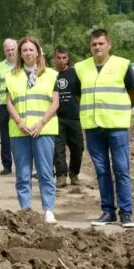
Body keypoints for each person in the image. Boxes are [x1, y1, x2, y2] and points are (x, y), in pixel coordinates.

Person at [74, 28, 134, 228]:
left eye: (101, 43)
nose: (97, 47)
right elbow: (79, 96)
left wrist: (120, 110)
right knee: (102, 171)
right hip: (93, 126)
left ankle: (126, 213)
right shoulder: (81, 68)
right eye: (94, 44)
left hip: (117, 126)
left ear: (109, 45)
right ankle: (107, 211)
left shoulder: (122, 65)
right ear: (90, 46)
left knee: (121, 169)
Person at [5, 37, 60, 224]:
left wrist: (42, 122)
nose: (28, 53)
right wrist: (20, 122)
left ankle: (49, 210)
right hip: (20, 131)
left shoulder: (51, 75)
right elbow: (9, 102)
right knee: (23, 174)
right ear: (20, 54)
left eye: (31, 50)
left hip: (43, 131)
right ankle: (25, 209)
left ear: (38, 52)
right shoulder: (11, 75)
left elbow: (55, 102)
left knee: (45, 172)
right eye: (24, 50)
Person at [52, 46, 84, 187]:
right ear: (54, 58)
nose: (61, 61)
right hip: (56, 118)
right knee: (58, 149)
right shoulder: (50, 74)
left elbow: (79, 95)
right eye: (59, 58)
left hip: (73, 117)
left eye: (64, 58)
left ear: (68, 58)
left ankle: (74, 173)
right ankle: (61, 176)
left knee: (78, 148)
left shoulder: (74, 74)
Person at [0, 38, 17, 175]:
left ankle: (25, 165)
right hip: (4, 105)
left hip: (19, 105)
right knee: (5, 137)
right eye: (7, 49)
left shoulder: (22, 64)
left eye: (12, 49)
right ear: (4, 51)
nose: (10, 52)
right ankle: (7, 165)